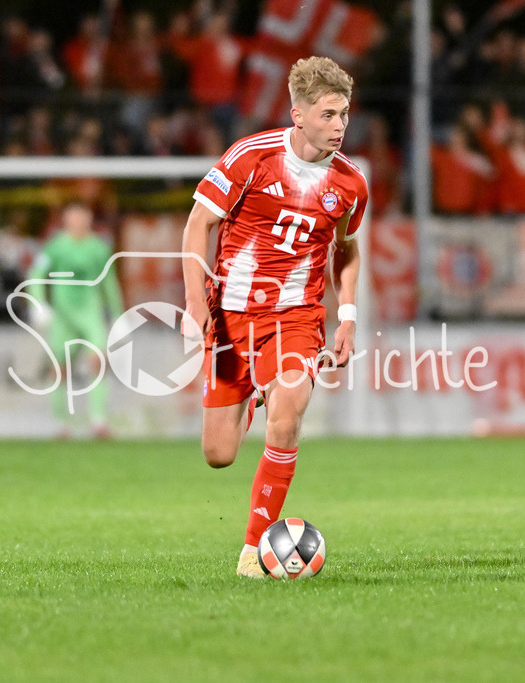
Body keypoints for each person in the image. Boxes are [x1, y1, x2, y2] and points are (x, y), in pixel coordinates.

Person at [181, 56, 368, 578]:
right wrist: (196, 303)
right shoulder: (251, 157)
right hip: (231, 316)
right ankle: (258, 390)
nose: (339, 126)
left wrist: (347, 316)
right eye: (329, 114)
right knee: (219, 453)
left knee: (287, 415)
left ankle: (251, 552)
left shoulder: (350, 185)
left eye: (345, 114)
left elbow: (346, 250)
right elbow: (198, 223)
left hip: (295, 316)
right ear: (298, 114)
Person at [26, 201, 123, 438]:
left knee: (98, 362)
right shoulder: (55, 247)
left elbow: (109, 282)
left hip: (91, 312)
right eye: (74, 218)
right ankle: (61, 423)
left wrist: (120, 315)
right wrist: (37, 303)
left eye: (83, 218)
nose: (79, 223)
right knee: (59, 369)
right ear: (66, 221)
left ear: (89, 220)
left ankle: (98, 421)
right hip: (64, 316)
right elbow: (36, 274)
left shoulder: (99, 248)